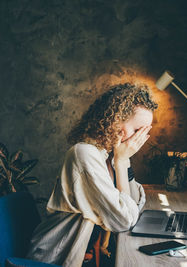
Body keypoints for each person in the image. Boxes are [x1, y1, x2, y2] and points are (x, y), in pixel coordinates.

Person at [26, 83, 158, 267]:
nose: (138, 140)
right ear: (116, 121)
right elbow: (124, 220)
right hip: (55, 259)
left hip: (89, 257)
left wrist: (124, 162)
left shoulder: (110, 155)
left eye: (144, 133)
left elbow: (135, 205)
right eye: (137, 131)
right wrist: (120, 163)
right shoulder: (84, 154)